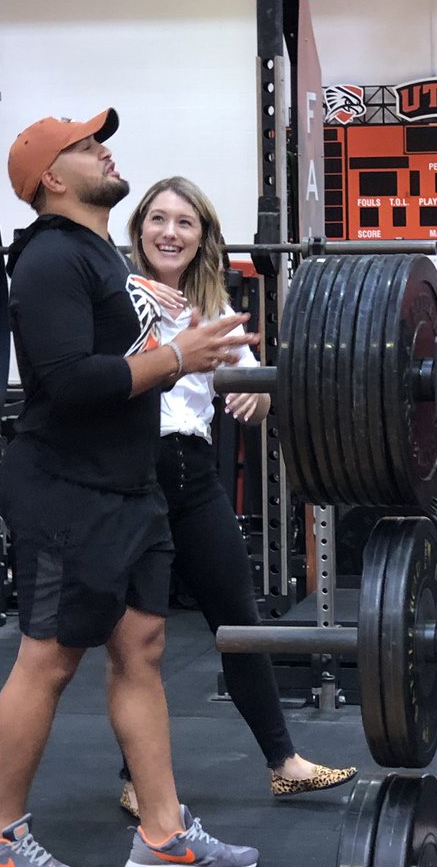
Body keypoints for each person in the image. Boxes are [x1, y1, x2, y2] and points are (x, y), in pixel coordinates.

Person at [0, 109, 262, 867]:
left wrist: (184, 340)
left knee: (143, 647)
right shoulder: (51, 258)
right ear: (52, 178)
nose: (106, 152)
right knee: (50, 658)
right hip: (67, 487)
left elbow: (120, 351)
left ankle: (161, 834)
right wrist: (176, 356)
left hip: (130, 486)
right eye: (88, 147)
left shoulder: (101, 258)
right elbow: (67, 381)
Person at [115, 176, 357, 820]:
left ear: (202, 238)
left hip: (194, 475)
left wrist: (257, 393)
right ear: (139, 229)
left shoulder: (214, 306)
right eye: (158, 219)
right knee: (141, 638)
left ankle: (284, 763)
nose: (170, 232)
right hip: (133, 475)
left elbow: (252, 386)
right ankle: (137, 779)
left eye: (184, 222)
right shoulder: (116, 296)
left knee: (240, 622)